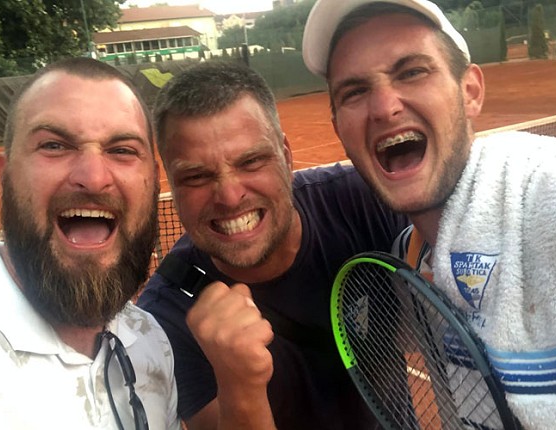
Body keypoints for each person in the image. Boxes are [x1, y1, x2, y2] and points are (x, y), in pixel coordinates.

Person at [302, 0, 556, 428]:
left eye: (412, 72)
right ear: (339, 128)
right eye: (354, 92)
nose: (384, 107)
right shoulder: (412, 265)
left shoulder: (552, 190)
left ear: (471, 92)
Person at [137, 60, 409, 429]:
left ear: (286, 155)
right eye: (197, 176)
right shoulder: (165, 318)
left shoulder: (365, 201)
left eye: (251, 161)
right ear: (170, 184)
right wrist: (240, 386)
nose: (229, 196)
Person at [0, 57, 181, 429]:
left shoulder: (151, 341)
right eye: (54, 145)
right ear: (6, 176)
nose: (93, 178)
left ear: (153, 180)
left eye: (122, 150)